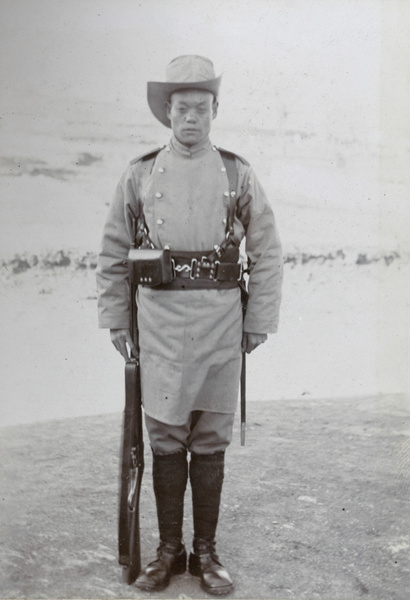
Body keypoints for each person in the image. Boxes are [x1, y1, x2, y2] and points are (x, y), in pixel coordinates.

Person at [97, 55, 283, 595]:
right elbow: (113, 250)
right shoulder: (139, 173)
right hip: (158, 321)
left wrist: (259, 319)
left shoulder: (236, 172)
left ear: (215, 111)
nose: (192, 118)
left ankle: (206, 553)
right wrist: (116, 319)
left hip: (223, 318)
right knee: (163, 434)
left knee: (209, 434)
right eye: (183, 109)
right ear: (168, 114)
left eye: (202, 108)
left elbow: (267, 250)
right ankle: (167, 551)